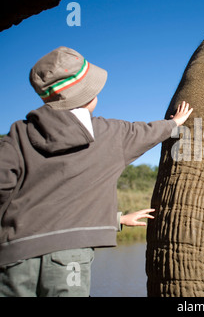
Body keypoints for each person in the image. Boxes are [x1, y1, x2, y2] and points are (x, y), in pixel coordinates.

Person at [0, 46, 193, 296]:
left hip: (13, 258)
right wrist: (174, 123)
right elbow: (148, 133)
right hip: (70, 259)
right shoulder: (110, 134)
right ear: (90, 96)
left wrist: (116, 220)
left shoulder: (16, 137)